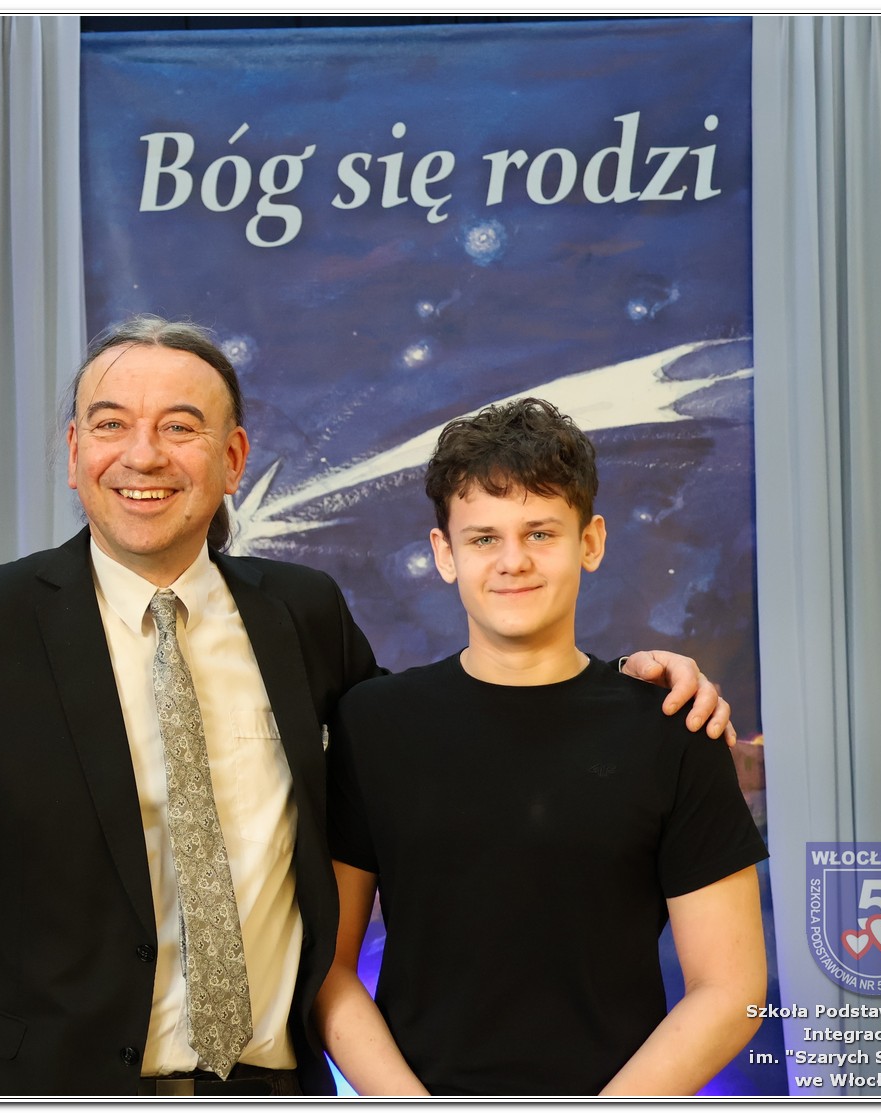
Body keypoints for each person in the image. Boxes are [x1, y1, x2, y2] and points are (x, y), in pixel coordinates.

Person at [0, 317, 733, 1096]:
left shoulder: (303, 615)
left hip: (271, 1089)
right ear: (73, 452)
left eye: (181, 427)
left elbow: (466, 726)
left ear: (233, 459)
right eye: (111, 424)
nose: (144, 455)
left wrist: (626, 683)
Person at [318, 397, 767, 1096]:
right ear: (444, 554)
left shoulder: (673, 726)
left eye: (540, 532)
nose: (514, 561)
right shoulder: (373, 724)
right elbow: (330, 970)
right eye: (484, 538)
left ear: (591, 542)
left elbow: (730, 986)